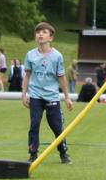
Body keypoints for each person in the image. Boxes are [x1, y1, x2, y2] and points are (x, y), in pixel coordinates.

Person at [21, 22, 74, 163]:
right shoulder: (30, 55)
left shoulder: (57, 56)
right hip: (36, 96)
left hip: (52, 96)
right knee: (34, 124)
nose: (40, 34)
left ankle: (63, 153)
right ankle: (32, 154)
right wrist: (24, 94)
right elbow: (27, 76)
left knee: (56, 126)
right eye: (38, 32)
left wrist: (67, 98)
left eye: (44, 32)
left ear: (50, 38)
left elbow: (62, 78)